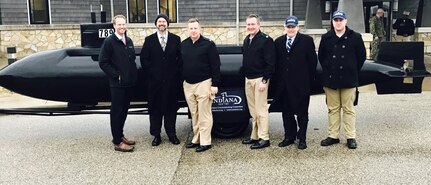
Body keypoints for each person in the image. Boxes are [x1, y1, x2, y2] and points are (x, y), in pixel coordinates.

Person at [318, 10, 366, 149]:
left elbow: (361, 57)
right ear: (332, 22)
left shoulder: (355, 37)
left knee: (348, 109)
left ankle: (350, 137)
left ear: (345, 21)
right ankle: (333, 136)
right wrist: (329, 69)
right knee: (332, 109)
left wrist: (351, 70)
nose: (338, 22)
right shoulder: (326, 37)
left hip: (348, 79)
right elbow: (321, 57)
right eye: (336, 20)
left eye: (340, 20)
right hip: (331, 79)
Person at [269, 16, 317, 150]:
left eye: (293, 27)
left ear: (297, 27)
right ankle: (289, 136)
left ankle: (302, 138)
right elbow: (276, 63)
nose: (291, 29)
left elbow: (312, 63)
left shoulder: (307, 41)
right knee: (287, 113)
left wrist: (308, 81)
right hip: (283, 85)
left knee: (302, 113)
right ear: (285, 27)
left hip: (301, 84)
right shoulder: (278, 42)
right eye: (288, 27)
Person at [140, 14, 181, 146]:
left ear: (168, 24)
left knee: (170, 109)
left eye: (164, 21)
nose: (162, 23)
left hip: (171, 83)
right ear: (156, 24)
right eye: (159, 21)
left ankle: (171, 134)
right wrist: (153, 73)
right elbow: (144, 60)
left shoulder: (176, 39)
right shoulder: (149, 40)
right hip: (154, 83)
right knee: (155, 110)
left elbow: (180, 59)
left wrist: (174, 73)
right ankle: (156, 135)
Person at [181, 18, 221, 153]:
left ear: (200, 29)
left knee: (204, 114)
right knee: (195, 113)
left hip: (204, 83)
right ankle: (196, 139)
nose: (193, 30)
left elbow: (215, 66)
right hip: (188, 84)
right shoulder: (183, 45)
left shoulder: (209, 45)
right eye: (191, 28)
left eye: (195, 28)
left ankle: (205, 142)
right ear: (188, 30)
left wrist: (215, 84)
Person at [99, 15, 137, 152]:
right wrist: (116, 75)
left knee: (124, 111)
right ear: (114, 26)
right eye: (119, 25)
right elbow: (103, 62)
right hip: (117, 84)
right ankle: (117, 142)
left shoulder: (129, 40)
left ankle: (120, 136)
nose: (122, 27)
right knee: (117, 112)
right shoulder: (110, 42)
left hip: (128, 83)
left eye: (123, 24)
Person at [241, 14, 276, 149]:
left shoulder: (265, 40)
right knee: (253, 110)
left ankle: (264, 138)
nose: (250, 27)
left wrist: (265, 80)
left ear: (259, 25)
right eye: (248, 24)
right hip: (248, 79)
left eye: (253, 24)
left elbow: (270, 62)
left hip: (260, 80)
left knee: (261, 110)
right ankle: (254, 136)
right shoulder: (247, 39)